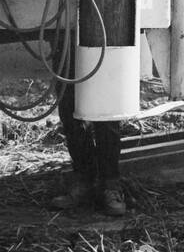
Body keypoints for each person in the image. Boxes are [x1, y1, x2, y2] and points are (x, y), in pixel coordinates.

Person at [49, 87, 126, 216]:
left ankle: (110, 184)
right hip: (69, 67)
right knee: (70, 112)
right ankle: (84, 181)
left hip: (106, 68)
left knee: (107, 113)